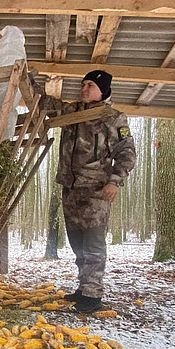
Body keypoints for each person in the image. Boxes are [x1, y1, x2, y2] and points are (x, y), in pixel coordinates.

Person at [35, 70, 137, 313]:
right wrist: (29, 82)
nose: (84, 89)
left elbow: (127, 153)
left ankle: (92, 294)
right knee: (77, 242)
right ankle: (83, 287)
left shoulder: (113, 118)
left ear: (103, 90)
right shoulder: (74, 112)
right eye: (83, 85)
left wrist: (114, 181)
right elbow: (48, 105)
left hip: (96, 190)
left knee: (92, 242)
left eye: (90, 85)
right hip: (70, 188)